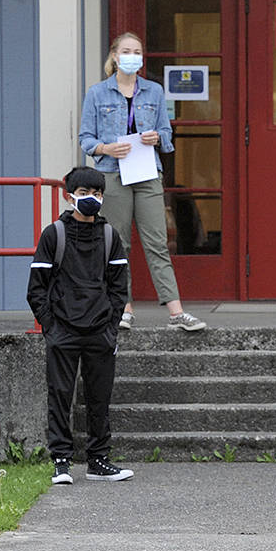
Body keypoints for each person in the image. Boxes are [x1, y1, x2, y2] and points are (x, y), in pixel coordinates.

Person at [78, 31, 206, 333]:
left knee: (157, 242)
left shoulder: (154, 92)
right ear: (114, 55)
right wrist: (106, 148)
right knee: (117, 243)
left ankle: (176, 312)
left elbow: (167, 134)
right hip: (112, 171)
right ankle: (123, 308)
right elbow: (85, 139)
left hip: (147, 172)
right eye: (126, 50)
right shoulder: (97, 93)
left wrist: (157, 137)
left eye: (137, 51)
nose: (132, 56)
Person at [27, 167, 132, 486]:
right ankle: (61, 462)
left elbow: (119, 287)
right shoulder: (53, 234)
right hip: (63, 332)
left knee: (100, 397)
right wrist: (51, 326)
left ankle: (99, 461)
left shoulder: (110, 235)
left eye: (98, 194)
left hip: (99, 330)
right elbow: (36, 287)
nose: (92, 200)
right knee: (60, 395)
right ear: (68, 195)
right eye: (85, 193)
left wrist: (110, 325)